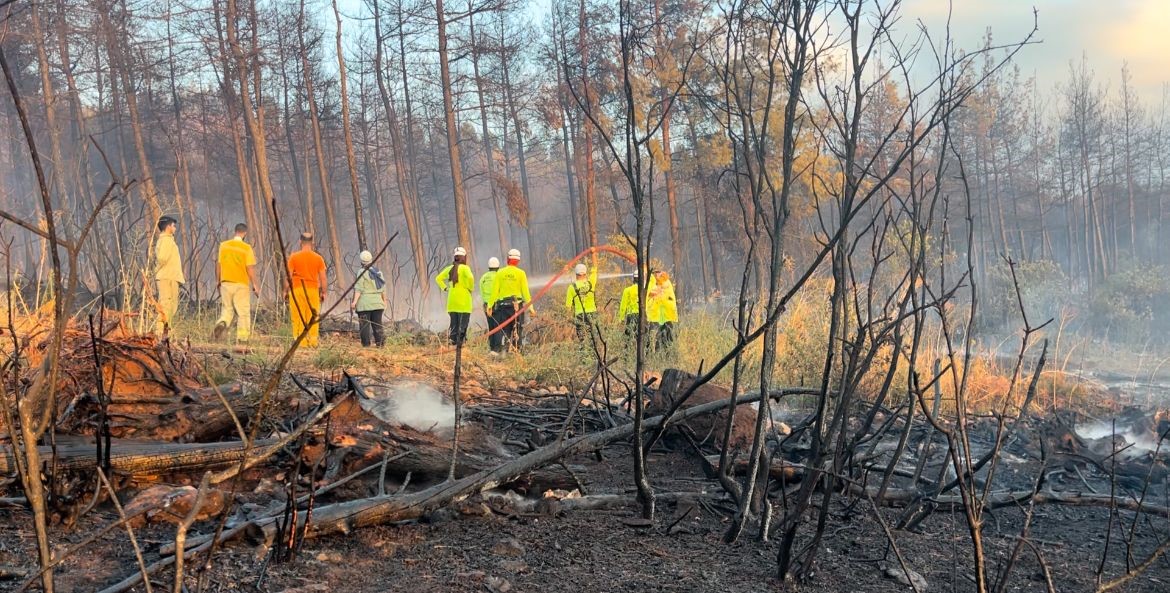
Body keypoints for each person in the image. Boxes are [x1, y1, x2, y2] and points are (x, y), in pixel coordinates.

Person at [212, 223, 258, 342]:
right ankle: (242, 338)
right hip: (241, 284)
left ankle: (222, 323)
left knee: (227, 310)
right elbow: (250, 268)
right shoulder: (246, 248)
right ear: (245, 233)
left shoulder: (224, 245)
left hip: (226, 282)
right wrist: (255, 285)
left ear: (235, 231)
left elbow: (219, 264)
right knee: (243, 312)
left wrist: (218, 280)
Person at [488, 248, 535, 352]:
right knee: (518, 329)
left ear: (507, 259)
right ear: (518, 261)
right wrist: (531, 308)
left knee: (506, 330)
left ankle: (505, 351)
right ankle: (516, 350)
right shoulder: (521, 273)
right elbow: (526, 293)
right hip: (517, 307)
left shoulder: (500, 273)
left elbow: (494, 292)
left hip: (503, 307)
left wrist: (490, 306)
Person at [286, 232, 328, 347]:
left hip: (297, 289)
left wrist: (285, 290)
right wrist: (324, 292)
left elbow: (289, 276)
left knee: (297, 315)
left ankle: (301, 342)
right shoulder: (318, 258)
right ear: (312, 243)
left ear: (300, 242)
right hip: (313, 290)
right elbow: (323, 278)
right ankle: (313, 341)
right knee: (312, 316)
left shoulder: (294, 257)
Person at [436, 247, 475, 346]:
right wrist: (470, 288)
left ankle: (452, 346)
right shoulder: (465, 268)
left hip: (452, 302)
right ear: (464, 257)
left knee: (453, 325)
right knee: (462, 326)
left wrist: (445, 288)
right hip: (464, 303)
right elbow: (470, 277)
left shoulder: (449, 269)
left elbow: (438, 278)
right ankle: (460, 347)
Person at [153, 216, 184, 336]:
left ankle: (166, 331)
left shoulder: (168, 240)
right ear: (168, 227)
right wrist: (159, 270)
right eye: (173, 225)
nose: (175, 228)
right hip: (167, 277)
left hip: (171, 277)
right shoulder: (165, 240)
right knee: (165, 304)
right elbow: (162, 258)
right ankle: (160, 332)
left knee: (171, 306)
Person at [350, 250, 387, 347]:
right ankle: (380, 344)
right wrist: (384, 302)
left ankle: (366, 345)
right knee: (377, 325)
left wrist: (354, 302)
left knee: (364, 326)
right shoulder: (378, 272)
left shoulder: (361, 272)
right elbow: (383, 289)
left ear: (361, 261)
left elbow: (359, 289)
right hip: (378, 303)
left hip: (364, 304)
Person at [565, 262, 598, 343]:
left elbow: (568, 306)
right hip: (592, 314)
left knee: (582, 339)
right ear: (586, 273)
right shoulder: (591, 282)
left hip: (580, 316)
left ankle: (584, 354)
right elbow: (595, 268)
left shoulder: (571, 287)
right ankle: (595, 355)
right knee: (593, 339)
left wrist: (568, 319)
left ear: (576, 274)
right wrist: (593, 253)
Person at [648, 270, 678, 350]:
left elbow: (654, 291)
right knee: (661, 337)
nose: (656, 276)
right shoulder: (661, 285)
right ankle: (662, 355)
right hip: (662, 317)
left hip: (668, 316)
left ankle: (669, 355)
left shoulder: (665, 283)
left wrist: (650, 277)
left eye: (657, 275)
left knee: (668, 337)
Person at [480, 257, 502, 352]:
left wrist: (486, 303)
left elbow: (481, 291)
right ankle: (497, 349)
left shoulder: (484, 277)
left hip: (486, 305)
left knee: (491, 326)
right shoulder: (499, 276)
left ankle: (492, 347)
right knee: (498, 326)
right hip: (497, 304)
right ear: (498, 267)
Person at [618, 272, 641, 338]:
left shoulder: (627, 290)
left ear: (633, 279)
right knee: (641, 337)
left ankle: (627, 348)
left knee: (628, 337)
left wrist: (621, 318)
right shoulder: (644, 290)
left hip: (630, 315)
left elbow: (623, 305)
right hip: (641, 316)